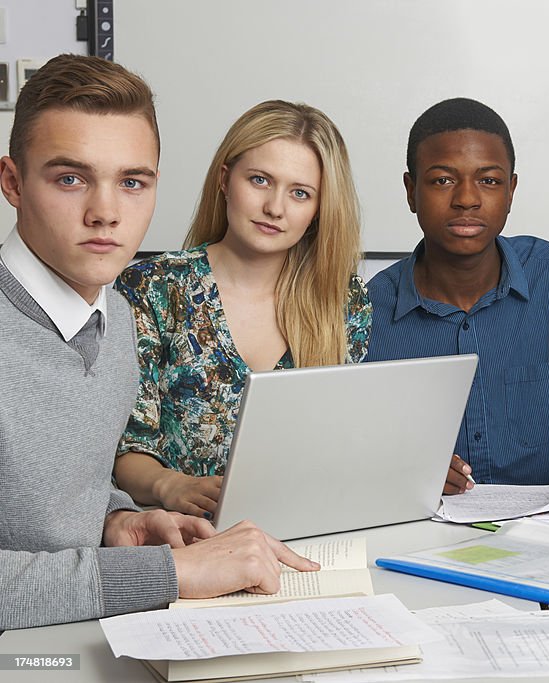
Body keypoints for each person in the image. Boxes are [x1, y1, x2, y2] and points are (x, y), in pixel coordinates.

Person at [0, 54, 316, 631]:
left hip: (89, 634)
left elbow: (53, 510)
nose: (106, 213)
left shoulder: (115, 317)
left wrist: (121, 522)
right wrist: (175, 576)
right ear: (13, 183)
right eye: (70, 178)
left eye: (132, 182)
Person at [365, 97, 549, 517]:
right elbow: (362, 451)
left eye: (489, 181)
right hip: (424, 536)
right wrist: (401, 474)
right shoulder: (369, 311)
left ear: (511, 190)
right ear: (410, 190)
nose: (467, 199)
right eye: (442, 181)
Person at [112, 101, 371, 518]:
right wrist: (170, 484)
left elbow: (342, 444)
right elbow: (125, 449)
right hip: (184, 538)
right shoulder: (154, 287)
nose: (275, 207)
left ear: (320, 210)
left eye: (300, 193)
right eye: (260, 180)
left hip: (308, 527)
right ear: (225, 180)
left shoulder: (343, 300)